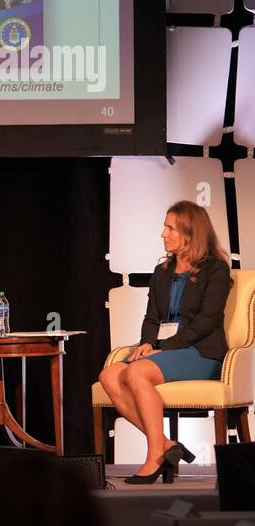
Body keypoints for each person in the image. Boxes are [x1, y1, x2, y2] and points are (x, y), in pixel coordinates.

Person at [97, 201, 232, 484]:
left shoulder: (215, 269)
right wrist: (147, 343)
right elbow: (152, 318)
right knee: (109, 375)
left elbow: (206, 322)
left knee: (136, 371)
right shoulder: (163, 271)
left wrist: (163, 349)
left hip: (201, 352)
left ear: (190, 232)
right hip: (168, 351)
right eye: (165, 227)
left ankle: (154, 455)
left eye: (170, 228)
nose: (163, 234)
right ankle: (167, 444)